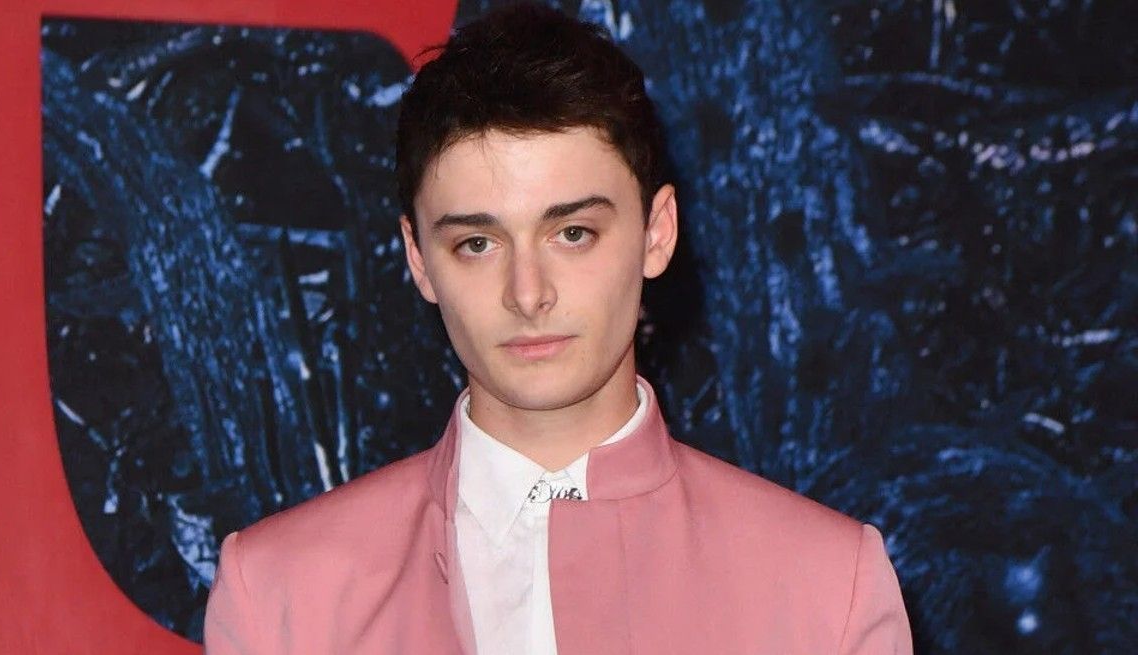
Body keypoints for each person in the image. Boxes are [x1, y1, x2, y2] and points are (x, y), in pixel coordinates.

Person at [204, 3, 913, 653]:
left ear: (657, 232)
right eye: (477, 243)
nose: (528, 293)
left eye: (573, 233)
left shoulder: (828, 589)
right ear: (419, 260)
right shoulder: (278, 596)